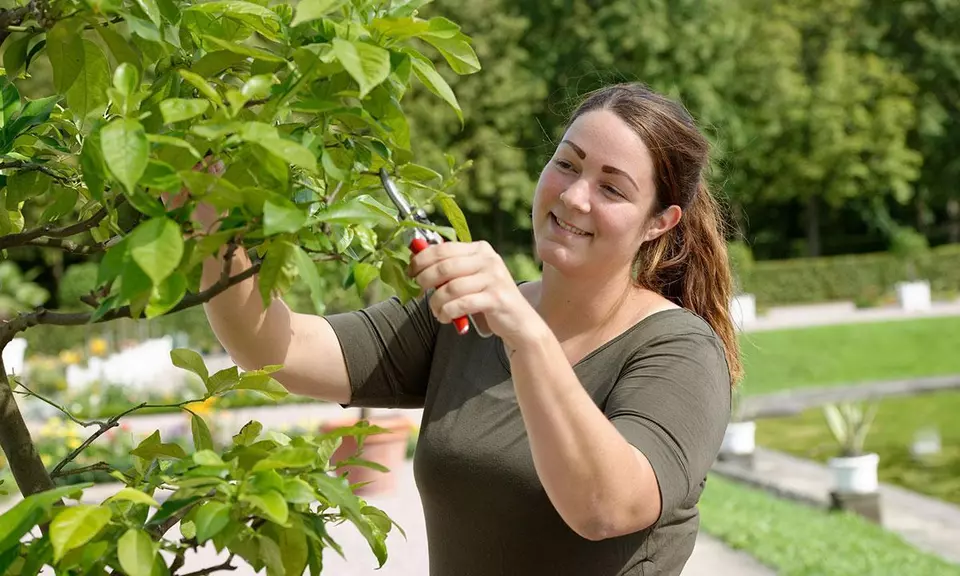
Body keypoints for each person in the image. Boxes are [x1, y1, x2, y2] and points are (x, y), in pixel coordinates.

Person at [196, 82, 740, 576]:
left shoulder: (680, 351)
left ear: (659, 222)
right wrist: (211, 217)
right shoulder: (467, 312)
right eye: (567, 165)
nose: (575, 197)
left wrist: (526, 335)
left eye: (612, 189)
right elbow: (277, 348)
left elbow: (605, 506)